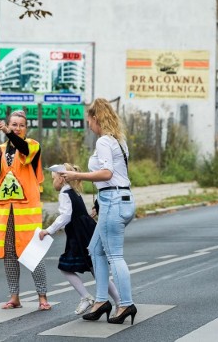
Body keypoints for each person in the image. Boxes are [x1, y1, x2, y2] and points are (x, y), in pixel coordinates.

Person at [60, 98, 137, 325]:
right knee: (95, 250)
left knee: (114, 255)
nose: (89, 125)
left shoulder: (104, 141)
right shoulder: (119, 141)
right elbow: (117, 176)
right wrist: (98, 205)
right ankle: (102, 301)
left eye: (89, 121)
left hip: (113, 200)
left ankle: (125, 304)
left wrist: (76, 176)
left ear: (96, 118)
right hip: (118, 199)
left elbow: (106, 174)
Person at [0, 110, 51, 311]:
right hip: (5, 213)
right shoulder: (0, 148)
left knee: (32, 254)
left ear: (26, 128)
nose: (17, 128)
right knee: (10, 254)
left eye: (21, 125)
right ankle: (14, 297)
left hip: (26, 213)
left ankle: (42, 297)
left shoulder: (32, 146)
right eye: (14, 124)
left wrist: (6, 131)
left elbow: (23, 149)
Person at [39, 163, 121, 315]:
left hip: (79, 235)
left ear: (62, 179)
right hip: (86, 231)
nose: (53, 183)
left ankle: (86, 297)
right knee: (97, 269)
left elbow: (65, 216)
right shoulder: (73, 191)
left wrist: (48, 230)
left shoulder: (65, 193)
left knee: (66, 266)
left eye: (53, 179)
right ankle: (119, 302)